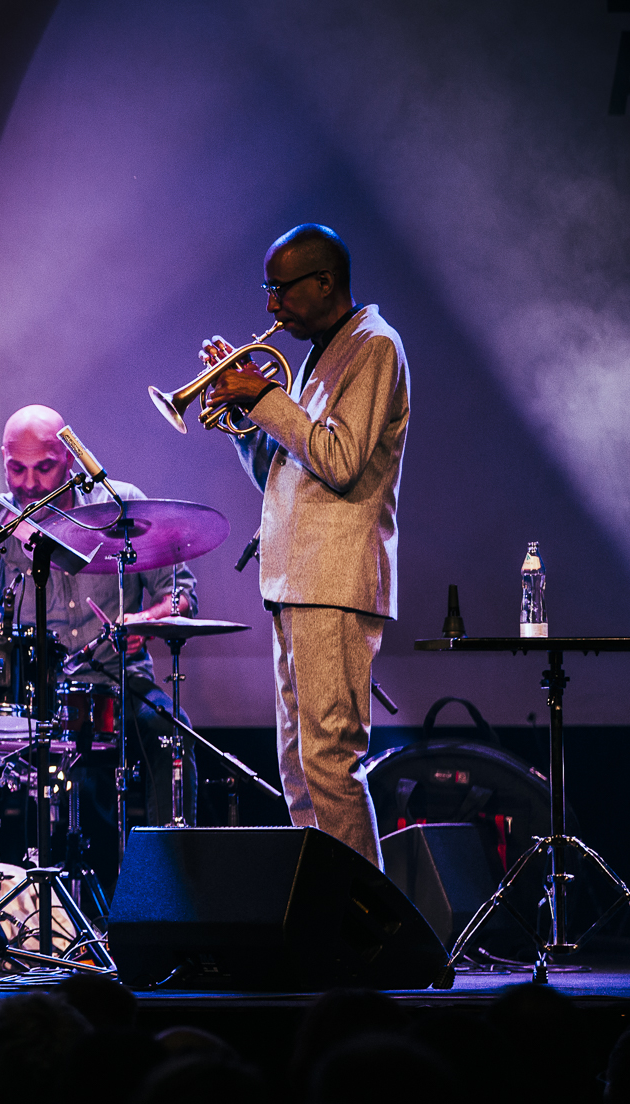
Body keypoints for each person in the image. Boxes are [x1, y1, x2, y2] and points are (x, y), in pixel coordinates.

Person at [205, 223, 408, 868]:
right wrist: (244, 418)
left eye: (281, 290)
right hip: (294, 580)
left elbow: (340, 459)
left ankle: (368, 926)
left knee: (329, 757)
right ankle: (325, 914)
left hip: (336, 580)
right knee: (296, 763)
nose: (271, 305)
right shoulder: (321, 355)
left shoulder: (374, 347)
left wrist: (264, 395)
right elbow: (285, 469)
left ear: (324, 283)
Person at [0, 405, 198, 883]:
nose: (31, 483)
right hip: (33, 692)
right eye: (17, 468)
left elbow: (180, 595)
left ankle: (169, 894)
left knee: (171, 731)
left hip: (118, 684)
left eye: (45, 467)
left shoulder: (122, 507)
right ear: (3, 461)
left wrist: (143, 619)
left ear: (70, 458)